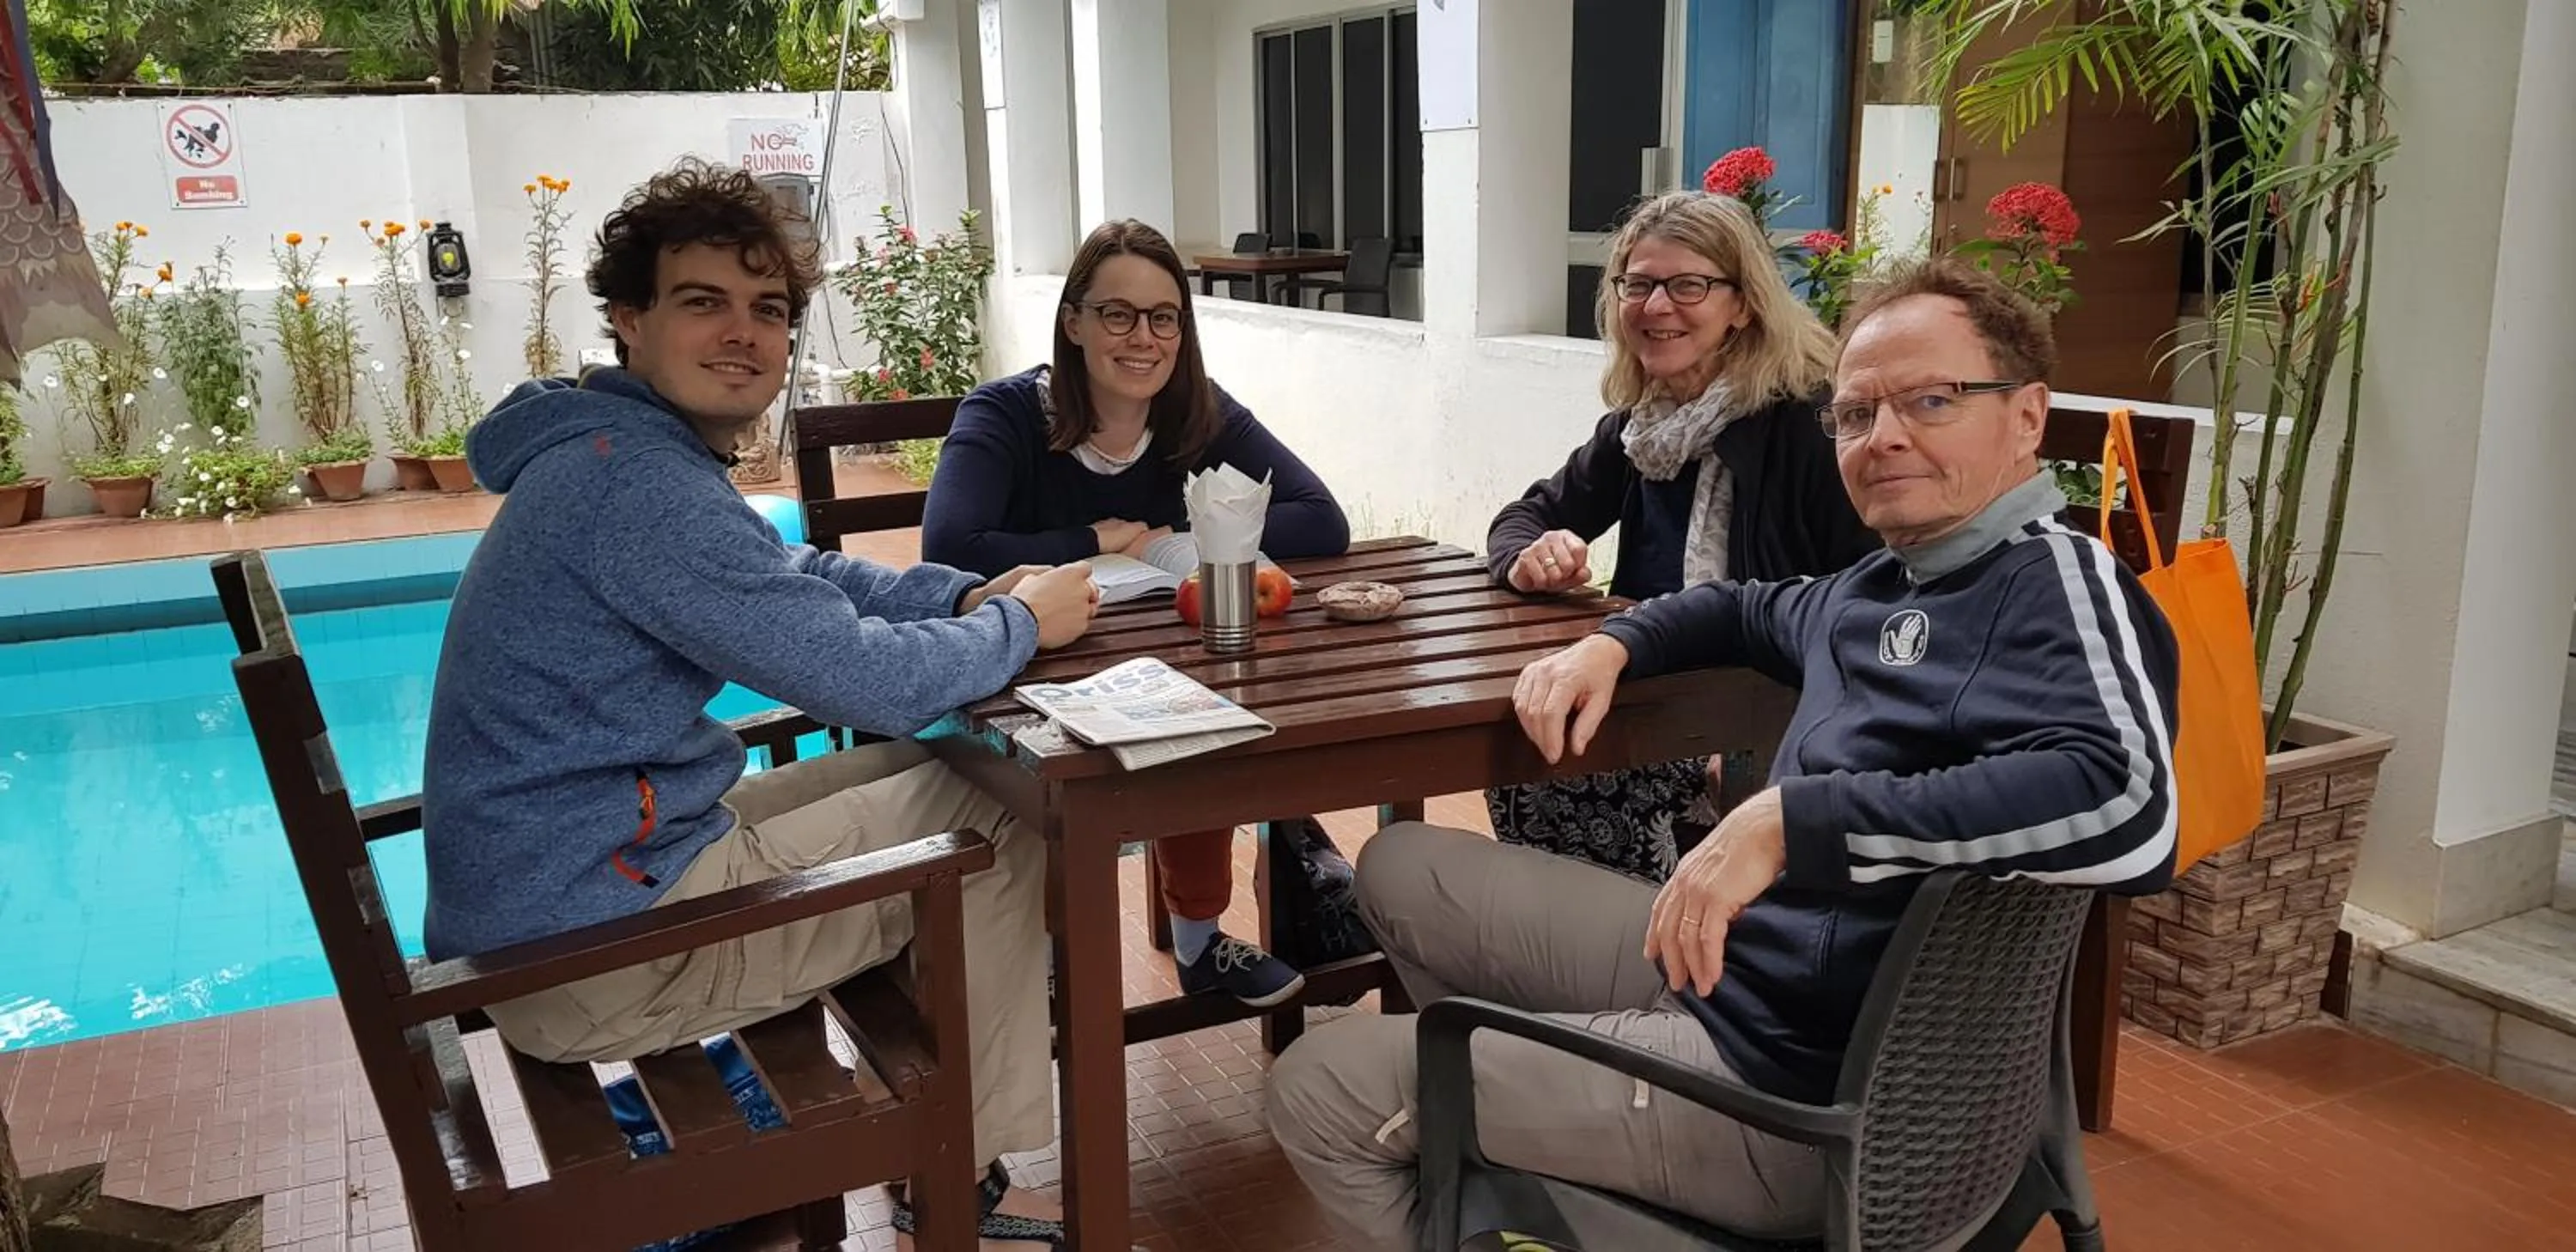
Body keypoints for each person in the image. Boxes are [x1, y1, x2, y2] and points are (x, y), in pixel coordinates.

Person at [1267, 256, 2181, 1249]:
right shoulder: (1877, 586)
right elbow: (1738, 606)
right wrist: (1610, 641)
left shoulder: (2057, 581)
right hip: (1731, 968)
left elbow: (2130, 799)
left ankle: (1530, 1160)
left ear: (2027, 416)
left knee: (1318, 1086)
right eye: (1858, 411)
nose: (1886, 437)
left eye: (1931, 399)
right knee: (1401, 866)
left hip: (1790, 1100)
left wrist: (1793, 822)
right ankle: (1536, 1165)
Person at [421, 157, 1102, 1250]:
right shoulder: (631, 485)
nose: (743, 333)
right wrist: (1021, 628)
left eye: (768, 310)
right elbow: (862, 681)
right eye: (704, 303)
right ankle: (961, 1179)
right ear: (629, 319)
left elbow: (804, 583)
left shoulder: (618, 451)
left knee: (958, 777)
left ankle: (941, 1130)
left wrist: (964, 594)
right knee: (1002, 817)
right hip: (598, 951)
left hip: (582, 889)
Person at [922, 218, 1352, 1006]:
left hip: (1156, 662)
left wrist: (1187, 531)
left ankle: (1198, 943)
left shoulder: (1196, 413)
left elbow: (1322, 518)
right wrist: (1089, 538)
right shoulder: (1006, 415)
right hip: (1025, 665)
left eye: (1164, 317)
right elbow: (949, 546)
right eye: (1118, 314)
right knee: (1067, 775)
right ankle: (1046, 948)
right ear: (1074, 322)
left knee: (1209, 716)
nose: (1143, 338)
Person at [1485, 191, 1877, 883]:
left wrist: (1762, 733)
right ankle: (1585, 967)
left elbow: (1866, 597)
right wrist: (1528, 557)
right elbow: (1526, 516)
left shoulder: (1809, 425)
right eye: (1638, 285)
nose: (1656, 306)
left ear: (1744, 303)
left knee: (1556, 765)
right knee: (1526, 746)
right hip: (1647, 692)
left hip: (1763, 715)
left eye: (1688, 285)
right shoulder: (1643, 426)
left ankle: (1651, 967)